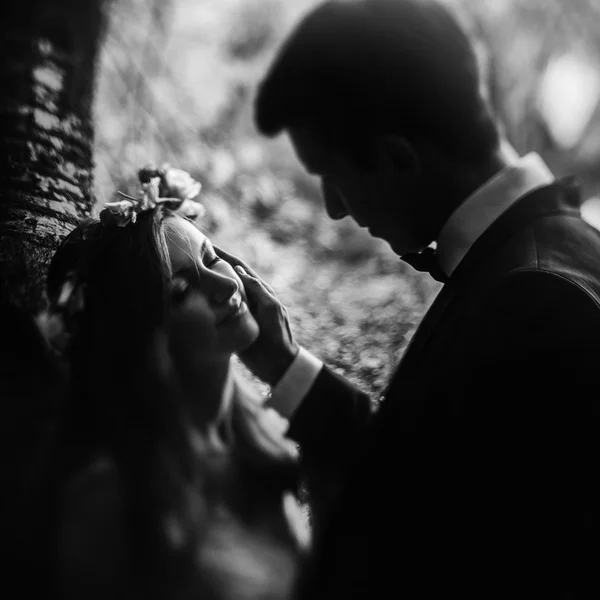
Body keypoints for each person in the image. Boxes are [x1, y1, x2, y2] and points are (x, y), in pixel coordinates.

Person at [215, 0, 600, 598]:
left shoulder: (540, 302)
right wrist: (282, 365)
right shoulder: (542, 263)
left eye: (331, 175)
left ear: (397, 158)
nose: (334, 208)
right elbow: (431, 483)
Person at [27, 165, 309, 600]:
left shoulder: (258, 435)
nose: (223, 286)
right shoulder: (110, 505)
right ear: (137, 336)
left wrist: (291, 365)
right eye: (180, 290)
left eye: (212, 258)